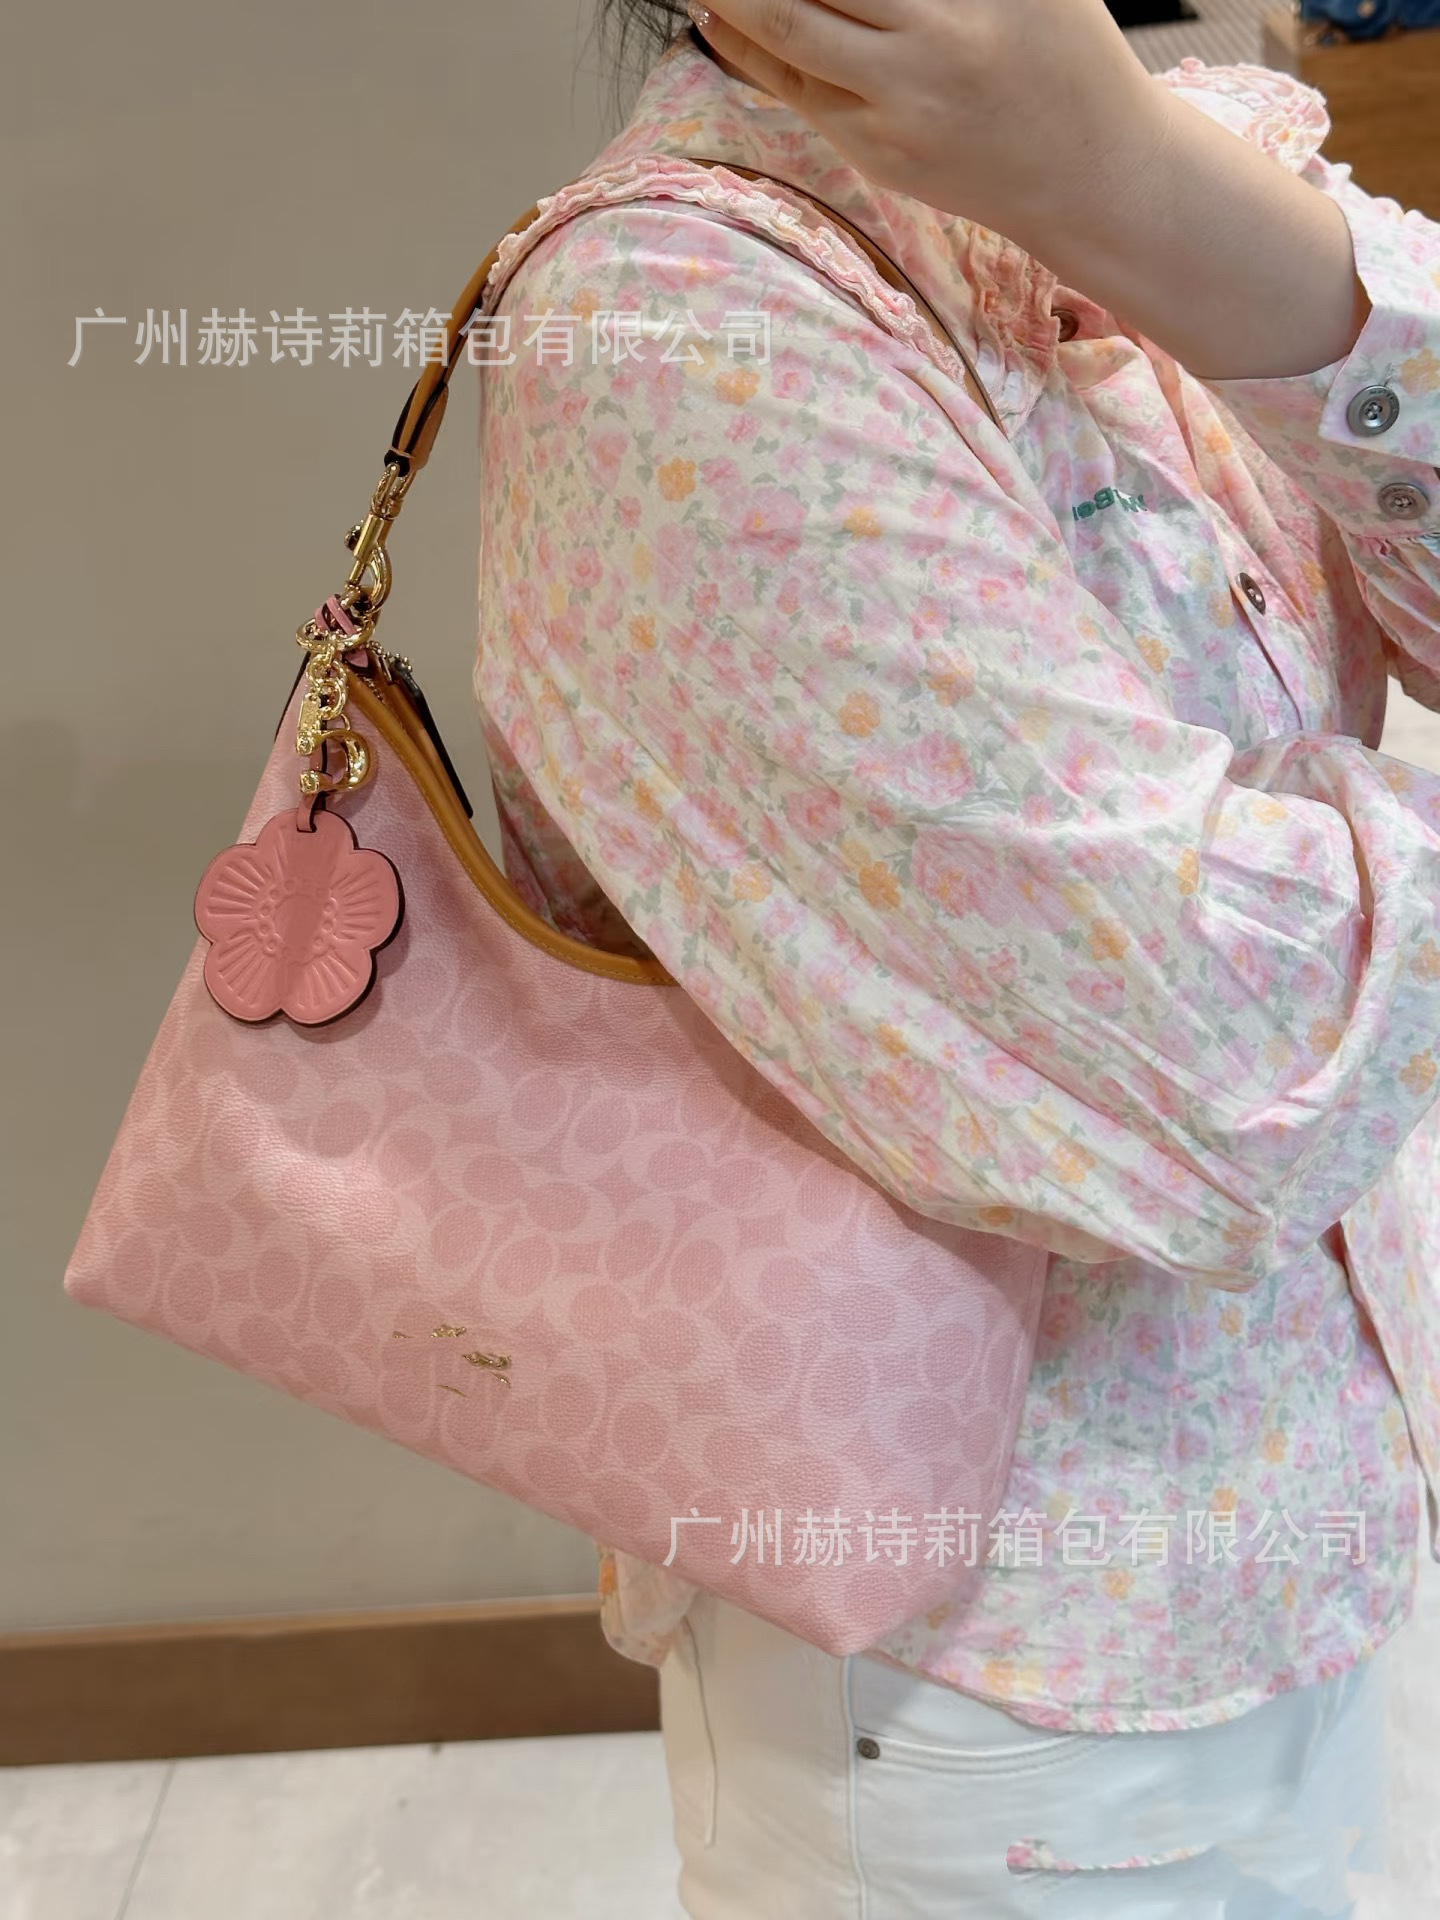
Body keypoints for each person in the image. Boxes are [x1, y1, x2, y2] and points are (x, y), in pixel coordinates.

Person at [473, 2, 1440, 1911]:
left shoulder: (1174, 168)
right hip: (979, 1664)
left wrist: (1134, 185)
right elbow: (1227, 1066)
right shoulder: (678, 321)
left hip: (1280, 1508)